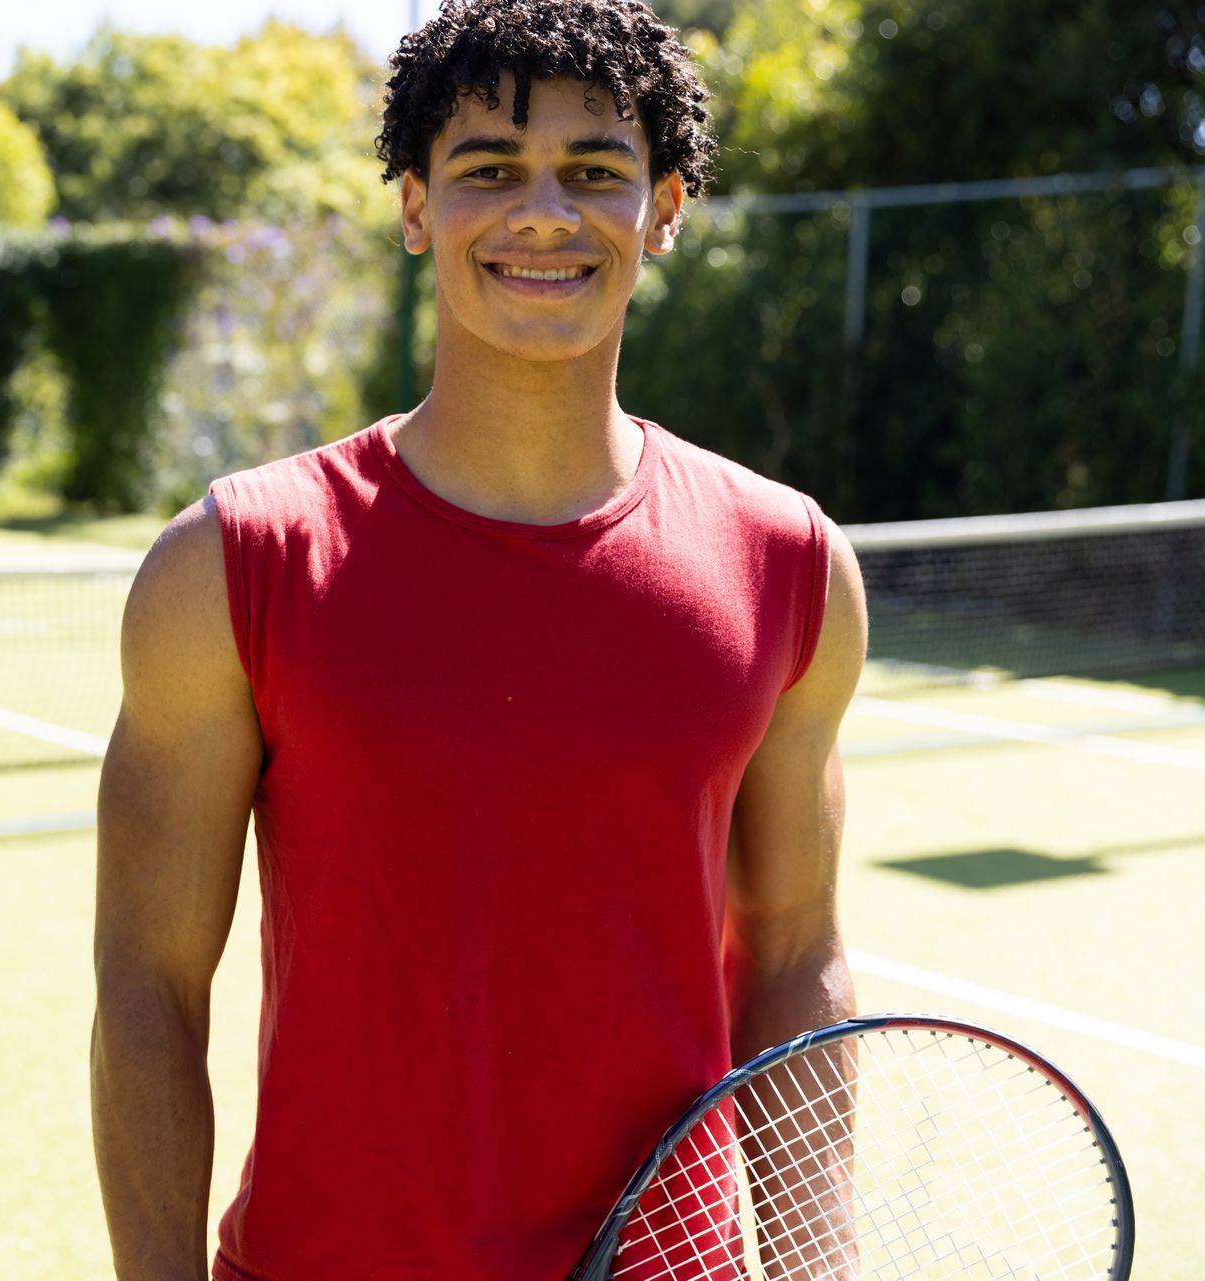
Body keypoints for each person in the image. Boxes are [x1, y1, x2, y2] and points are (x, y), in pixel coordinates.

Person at [91, 1, 868, 1277]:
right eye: (490, 170)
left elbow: (795, 956)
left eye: (596, 172)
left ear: (666, 210)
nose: (544, 213)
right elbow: (148, 990)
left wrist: (814, 1266)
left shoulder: (788, 562)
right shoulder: (235, 562)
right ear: (415, 207)